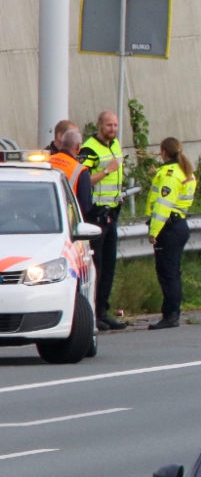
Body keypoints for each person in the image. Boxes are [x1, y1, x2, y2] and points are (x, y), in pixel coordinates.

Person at [78, 111, 127, 330]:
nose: (113, 129)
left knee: (108, 266)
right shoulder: (90, 148)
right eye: (109, 125)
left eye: (115, 125)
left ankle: (104, 312)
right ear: (99, 125)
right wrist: (108, 170)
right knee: (96, 266)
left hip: (111, 213)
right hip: (96, 215)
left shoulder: (115, 145)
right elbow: (84, 180)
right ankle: (93, 314)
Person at [145, 138, 197, 330]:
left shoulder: (170, 173)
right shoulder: (184, 170)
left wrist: (153, 231)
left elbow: (163, 206)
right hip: (179, 224)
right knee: (172, 271)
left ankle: (170, 316)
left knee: (168, 273)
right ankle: (172, 314)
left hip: (169, 227)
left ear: (163, 152)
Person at [48, 129, 92, 215]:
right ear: (78, 147)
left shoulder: (46, 161)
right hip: (67, 220)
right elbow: (85, 207)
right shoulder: (80, 170)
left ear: (62, 143)